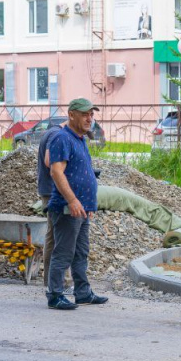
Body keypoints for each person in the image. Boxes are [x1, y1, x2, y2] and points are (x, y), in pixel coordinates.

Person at [45, 98, 109, 310]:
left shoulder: (80, 139)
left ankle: (82, 293)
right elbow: (56, 171)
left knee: (81, 252)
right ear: (71, 114)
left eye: (91, 114)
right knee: (64, 252)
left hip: (82, 209)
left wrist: (88, 205)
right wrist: (72, 200)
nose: (89, 118)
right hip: (66, 208)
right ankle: (54, 295)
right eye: (84, 114)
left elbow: (80, 173)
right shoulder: (62, 138)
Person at [36, 121, 65, 290]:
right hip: (54, 192)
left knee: (52, 235)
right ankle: (55, 284)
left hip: (48, 190)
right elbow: (49, 161)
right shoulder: (56, 135)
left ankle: (51, 281)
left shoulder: (50, 133)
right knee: (56, 237)